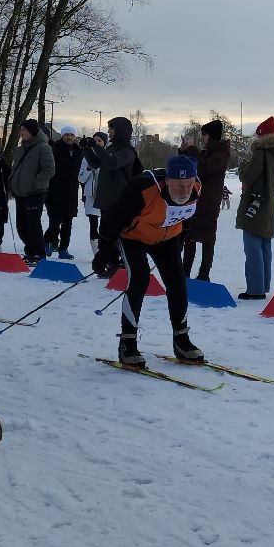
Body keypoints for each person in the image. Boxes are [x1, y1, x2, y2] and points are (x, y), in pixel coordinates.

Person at [94, 154, 205, 367]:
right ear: (168, 180)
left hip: (167, 236)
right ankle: (128, 343)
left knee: (177, 281)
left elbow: (187, 215)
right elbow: (112, 218)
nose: (185, 191)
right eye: (179, 185)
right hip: (133, 237)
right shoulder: (143, 188)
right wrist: (105, 250)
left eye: (189, 184)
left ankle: (181, 339)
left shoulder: (197, 187)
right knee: (139, 279)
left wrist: (182, 237)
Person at [234, 116, 274, 300]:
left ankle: (255, 290)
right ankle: (263, 285)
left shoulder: (261, 153)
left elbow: (248, 177)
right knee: (265, 245)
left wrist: (242, 168)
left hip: (254, 204)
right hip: (268, 203)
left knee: (252, 247)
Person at [84, 116, 141, 275]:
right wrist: (87, 149)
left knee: (111, 234)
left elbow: (112, 163)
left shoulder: (127, 151)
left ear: (120, 131)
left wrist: (96, 147)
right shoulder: (111, 148)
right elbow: (96, 163)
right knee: (106, 233)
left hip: (119, 199)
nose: (108, 131)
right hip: (107, 198)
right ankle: (111, 263)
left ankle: (114, 264)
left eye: (111, 128)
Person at [182, 120, 231, 282]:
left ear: (211, 135)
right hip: (195, 199)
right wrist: (184, 152)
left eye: (204, 134)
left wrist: (193, 150)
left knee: (207, 239)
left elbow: (204, 168)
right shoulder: (206, 151)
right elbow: (190, 166)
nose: (201, 138)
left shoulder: (221, 153)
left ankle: (204, 274)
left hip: (209, 202)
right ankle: (185, 271)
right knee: (189, 236)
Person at [5, 119, 54, 266]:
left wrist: (35, 183)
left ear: (32, 131)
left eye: (24, 130)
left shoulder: (43, 148)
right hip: (20, 193)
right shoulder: (20, 149)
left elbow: (49, 169)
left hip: (35, 192)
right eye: (21, 130)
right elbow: (16, 169)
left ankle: (39, 253)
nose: (21, 133)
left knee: (33, 224)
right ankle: (30, 251)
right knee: (22, 225)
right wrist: (12, 184)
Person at [44, 126, 82, 258]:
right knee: (54, 222)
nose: (69, 137)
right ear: (62, 135)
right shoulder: (55, 149)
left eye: (72, 134)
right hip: (55, 191)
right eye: (67, 134)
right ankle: (48, 241)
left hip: (71, 192)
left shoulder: (78, 151)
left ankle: (63, 249)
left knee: (68, 223)